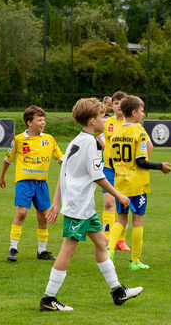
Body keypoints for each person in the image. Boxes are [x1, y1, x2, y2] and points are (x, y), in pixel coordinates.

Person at [38, 98, 143, 312]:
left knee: (102, 243)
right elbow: (98, 176)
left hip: (83, 205)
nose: (106, 120)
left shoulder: (76, 140)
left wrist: (56, 202)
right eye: (103, 116)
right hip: (78, 205)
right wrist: (119, 195)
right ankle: (48, 299)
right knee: (69, 248)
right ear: (93, 120)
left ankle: (118, 291)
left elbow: (63, 172)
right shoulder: (91, 143)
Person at [107, 95, 171, 269]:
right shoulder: (139, 132)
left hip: (120, 182)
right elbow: (141, 162)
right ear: (134, 112)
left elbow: (112, 161)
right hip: (137, 184)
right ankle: (135, 261)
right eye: (142, 111)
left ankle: (109, 250)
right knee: (137, 220)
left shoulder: (117, 132)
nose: (143, 114)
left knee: (121, 219)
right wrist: (161, 166)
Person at [0, 105, 63, 262]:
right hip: (24, 182)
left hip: (41, 184)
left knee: (43, 217)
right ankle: (13, 248)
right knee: (21, 213)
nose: (43, 123)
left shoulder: (49, 140)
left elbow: (62, 160)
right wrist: (2, 176)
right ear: (29, 122)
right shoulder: (19, 139)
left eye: (44, 120)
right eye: (39, 120)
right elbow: (8, 159)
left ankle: (42, 251)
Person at [100, 91, 133, 252]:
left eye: (121, 102)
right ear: (111, 105)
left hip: (125, 171)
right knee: (108, 203)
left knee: (123, 204)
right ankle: (106, 239)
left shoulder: (130, 123)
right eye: (115, 102)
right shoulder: (105, 123)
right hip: (107, 168)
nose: (118, 105)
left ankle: (121, 240)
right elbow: (95, 136)